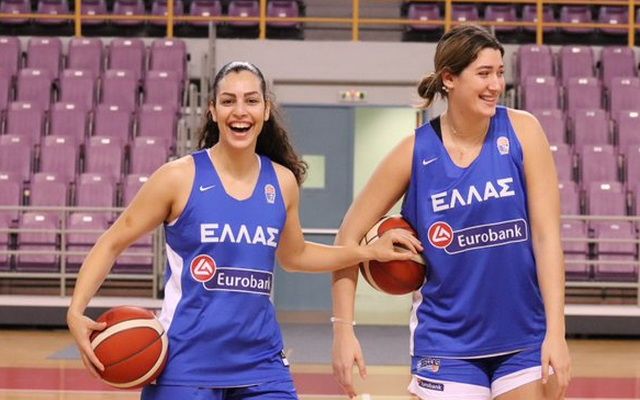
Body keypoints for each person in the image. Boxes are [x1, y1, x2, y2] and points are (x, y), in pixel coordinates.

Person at [66, 61, 422, 400]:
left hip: (261, 361)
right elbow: (112, 242)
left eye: (251, 101)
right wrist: (76, 310)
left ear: (266, 110)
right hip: (185, 361)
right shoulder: (178, 177)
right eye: (228, 101)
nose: (240, 111)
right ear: (212, 110)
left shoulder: (282, 182)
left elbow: (296, 255)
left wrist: (367, 251)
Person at [331, 25, 571, 400]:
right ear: (449, 78)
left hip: (525, 336)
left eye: (500, 72)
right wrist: (343, 330)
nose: (496, 85)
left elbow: (546, 237)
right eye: (484, 73)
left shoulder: (524, 131)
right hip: (445, 343)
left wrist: (557, 332)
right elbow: (347, 236)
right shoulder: (414, 152)